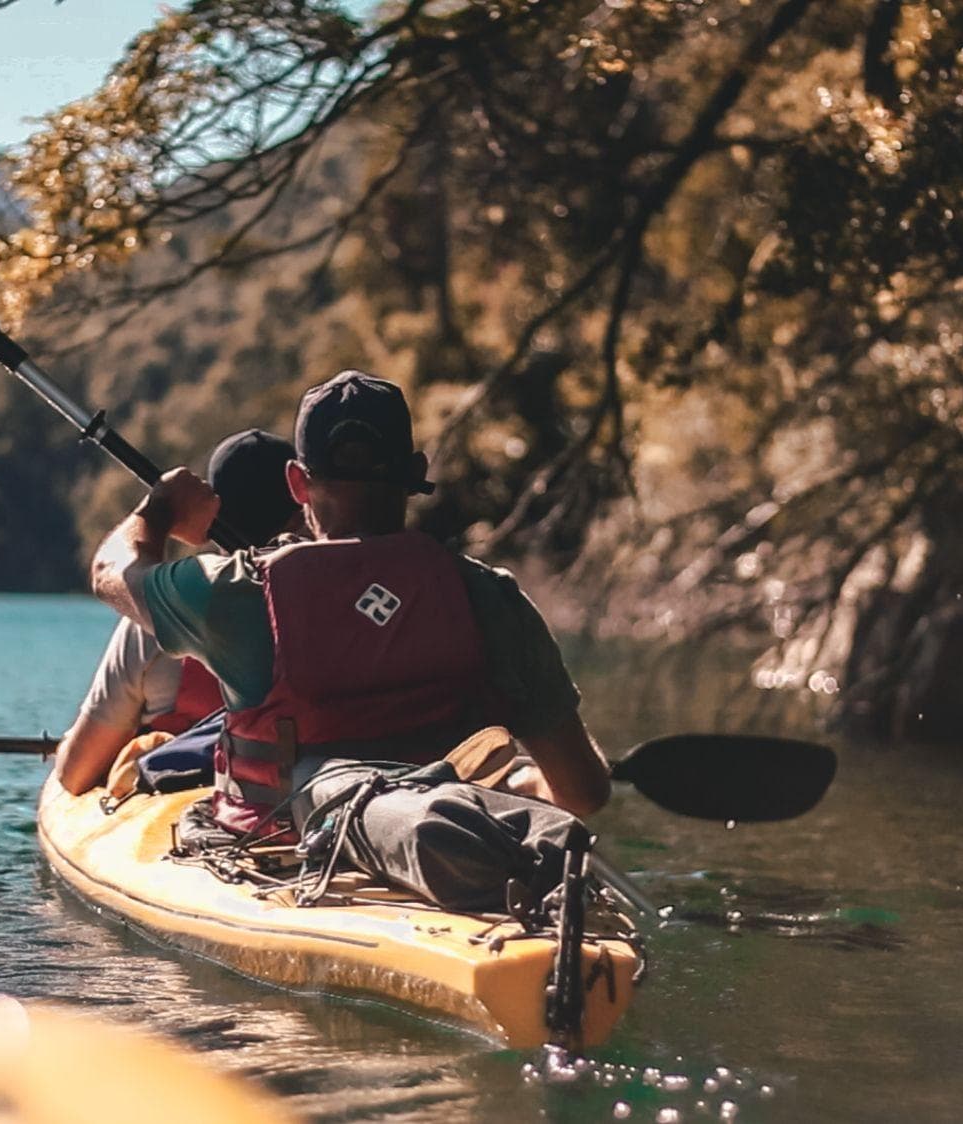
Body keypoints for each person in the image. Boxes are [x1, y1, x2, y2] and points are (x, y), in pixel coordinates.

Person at [89, 371, 612, 909]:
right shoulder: (491, 597)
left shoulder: (238, 594)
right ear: (416, 473)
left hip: (280, 856)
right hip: (461, 852)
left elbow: (110, 573)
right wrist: (523, 788)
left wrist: (160, 510)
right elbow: (584, 792)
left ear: (297, 482)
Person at [56, 428, 299, 795]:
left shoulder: (153, 621)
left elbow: (75, 773)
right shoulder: (336, 596)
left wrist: (161, 511)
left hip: (202, 802)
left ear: (211, 516)